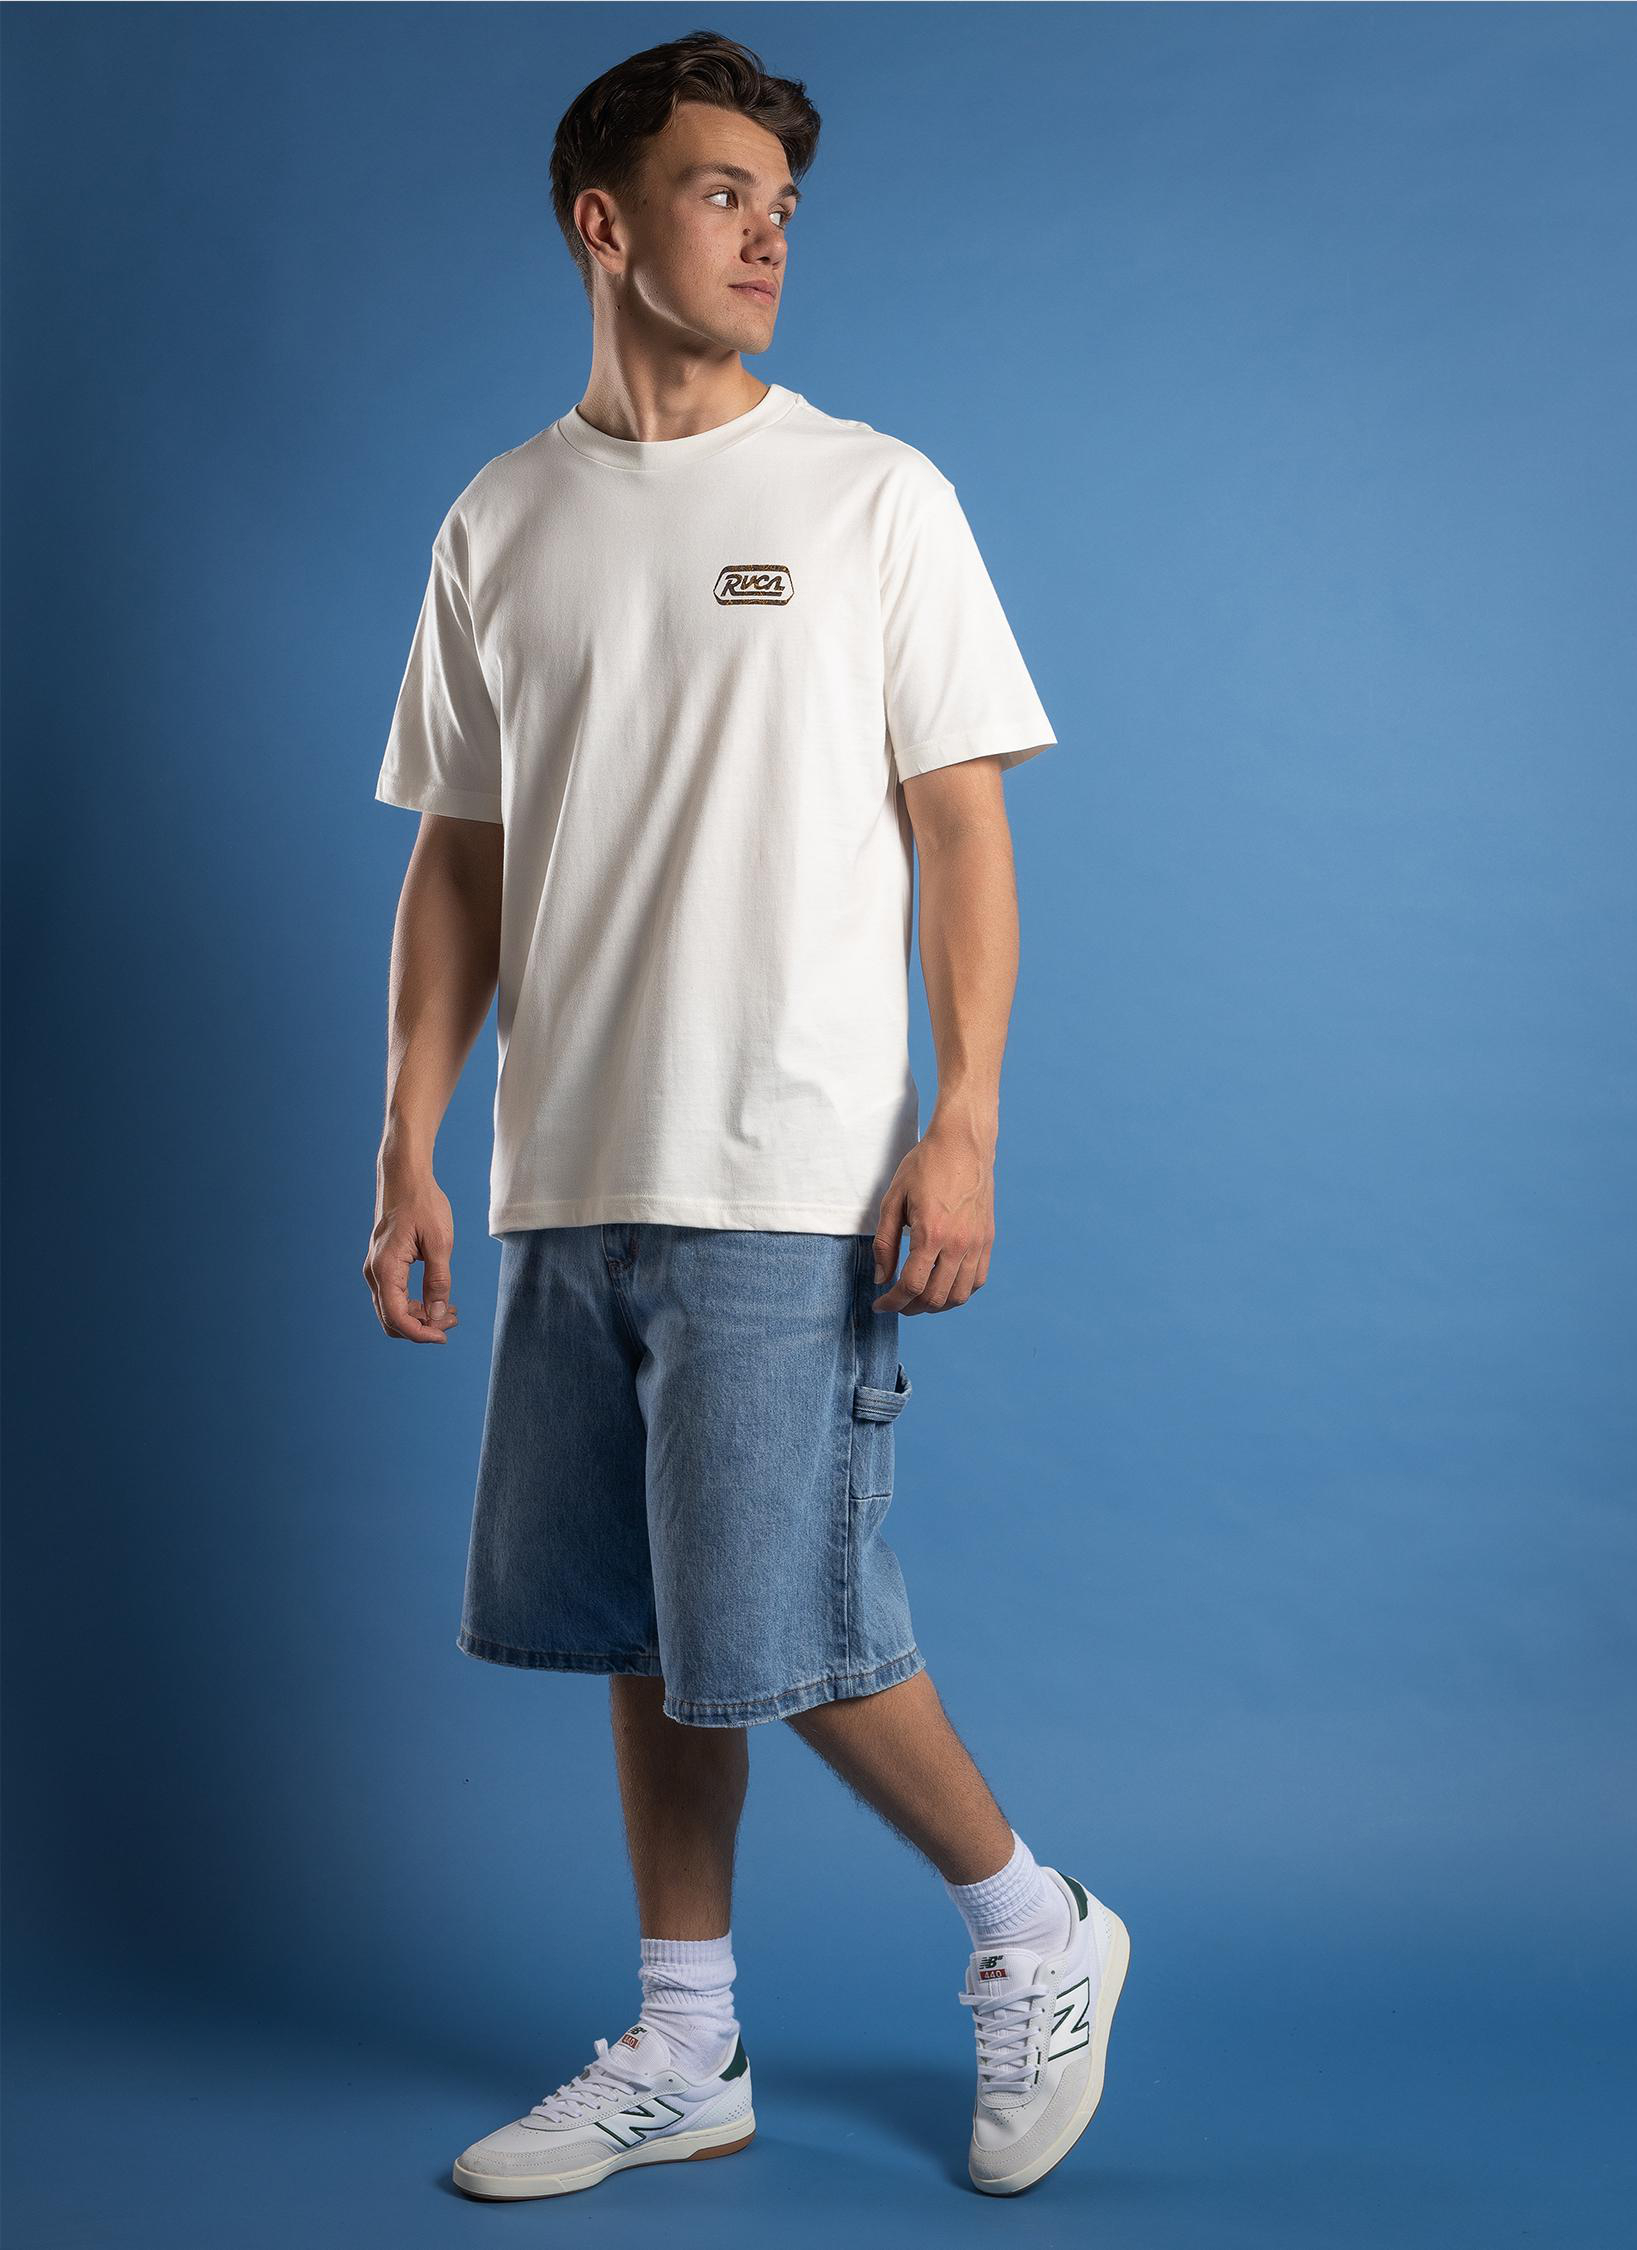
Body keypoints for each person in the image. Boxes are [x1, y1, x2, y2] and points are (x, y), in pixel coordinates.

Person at [365, 28, 1128, 2204]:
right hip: (564, 1170)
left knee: (773, 1614)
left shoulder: (874, 497)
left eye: (784, 203)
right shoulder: (499, 518)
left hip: (791, 1166)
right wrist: (408, 1142)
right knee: (648, 1623)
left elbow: (962, 831)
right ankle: (686, 2043)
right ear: (603, 223)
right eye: (724, 192)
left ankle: (1034, 1925)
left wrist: (965, 1121)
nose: (771, 233)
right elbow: (459, 860)